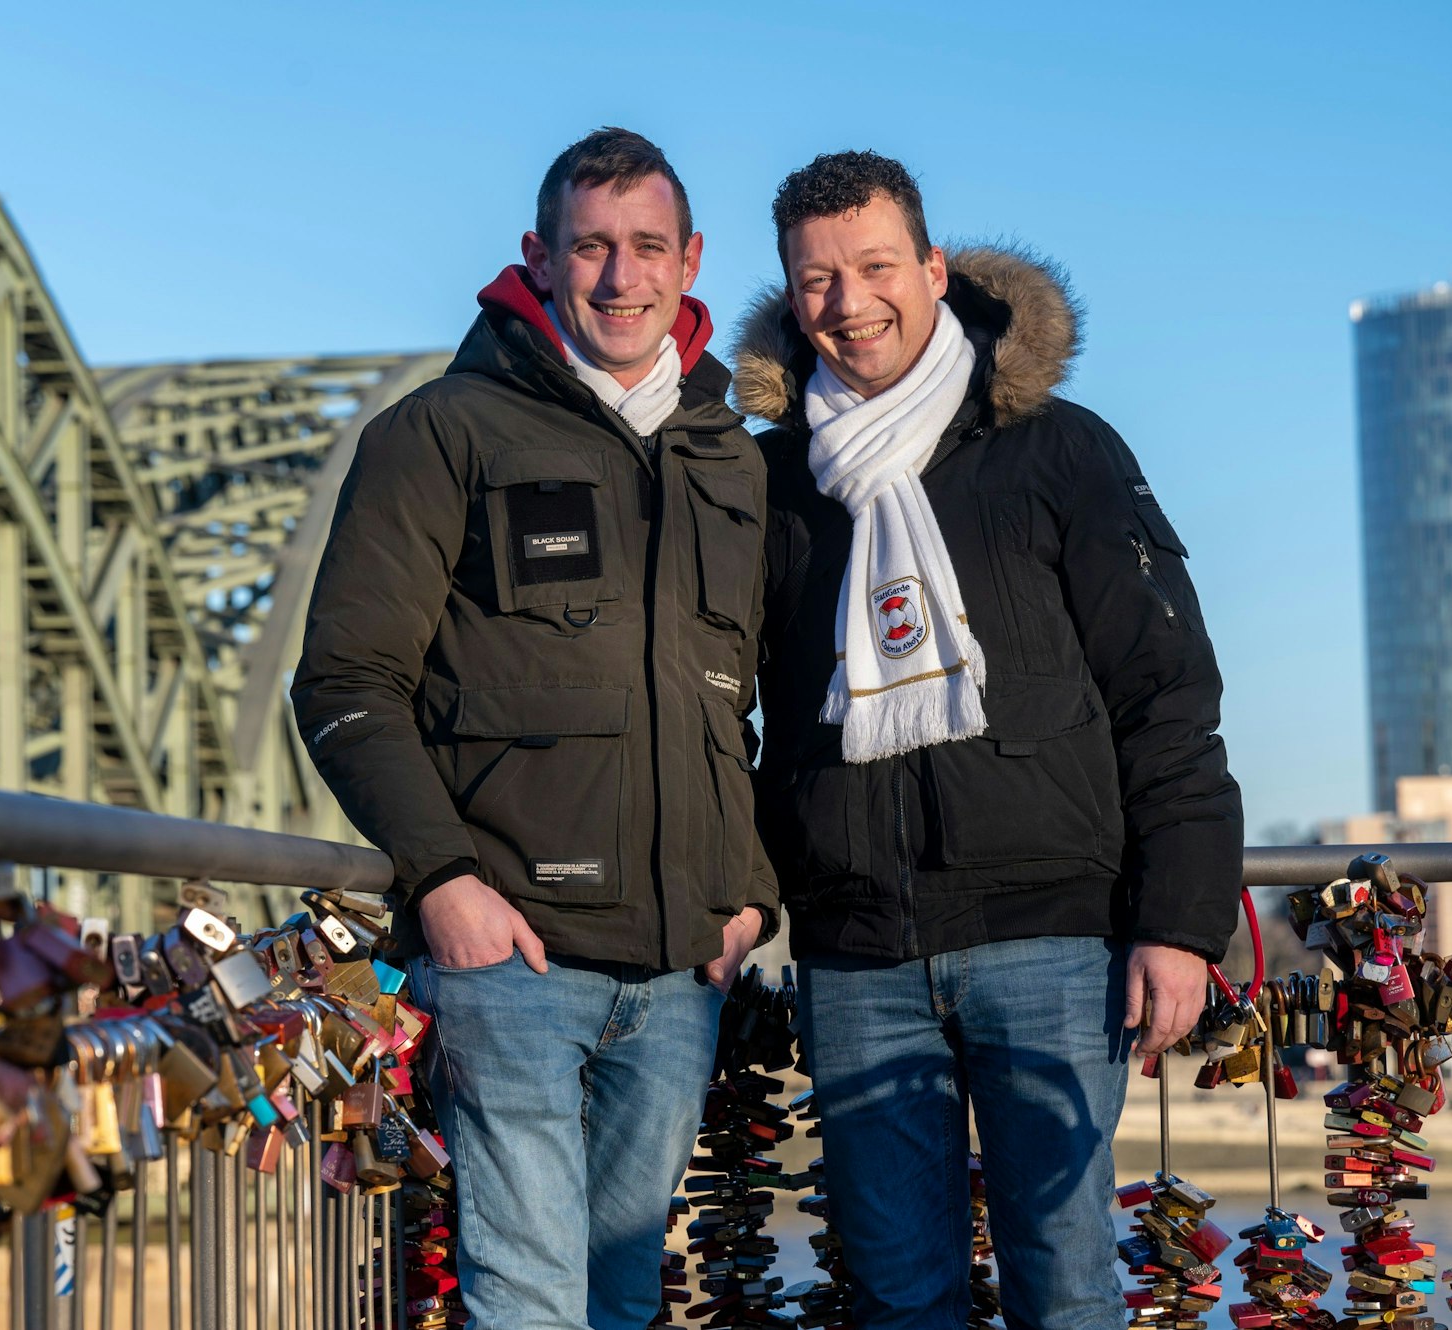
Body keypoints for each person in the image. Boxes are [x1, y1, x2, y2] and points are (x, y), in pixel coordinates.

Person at [734, 151, 1242, 1329]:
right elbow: (720, 706)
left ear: (932, 269)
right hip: (855, 950)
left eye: (874, 266)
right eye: (817, 279)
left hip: (1049, 941)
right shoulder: (767, 483)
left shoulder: (1060, 449)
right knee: (898, 1295)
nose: (849, 302)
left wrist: (1178, 921)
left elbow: (1164, 688)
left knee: (1064, 1286)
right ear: (790, 297)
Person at [291, 126, 777, 1330]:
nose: (621, 277)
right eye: (592, 246)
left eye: (648, 247)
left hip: (681, 969)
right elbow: (347, 682)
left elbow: (736, 707)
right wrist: (444, 880)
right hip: (513, 958)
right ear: (540, 256)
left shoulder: (728, 457)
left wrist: (748, 895)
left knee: (622, 1297)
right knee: (528, 1304)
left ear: (690, 260)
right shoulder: (442, 431)